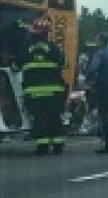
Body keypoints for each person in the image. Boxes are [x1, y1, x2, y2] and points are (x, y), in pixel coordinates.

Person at [19, 16, 67, 154]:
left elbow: (17, 65)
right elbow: (62, 63)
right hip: (54, 91)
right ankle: (58, 146)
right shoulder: (53, 48)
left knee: (39, 119)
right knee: (54, 117)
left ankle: (42, 147)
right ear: (46, 33)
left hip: (33, 92)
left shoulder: (26, 48)